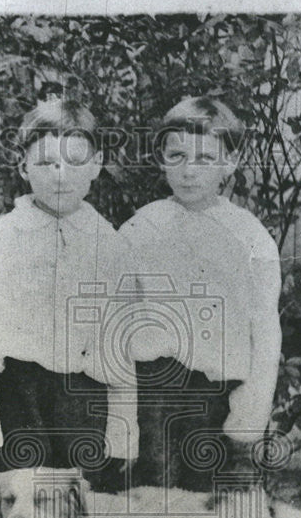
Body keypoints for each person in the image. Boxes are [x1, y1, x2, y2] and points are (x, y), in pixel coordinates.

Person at [0, 97, 137, 491]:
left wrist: (123, 432)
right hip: (19, 399)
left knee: (84, 513)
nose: (60, 176)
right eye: (45, 163)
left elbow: (122, 344)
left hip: (86, 402)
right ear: (23, 166)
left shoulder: (110, 245)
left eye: (75, 162)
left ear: (96, 164)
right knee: (27, 507)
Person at [120, 95, 282, 492]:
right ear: (160, 159)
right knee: (154, 503)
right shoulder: (141, 230)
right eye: (176, 156)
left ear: (230, 163)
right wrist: (120, 411)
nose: (189, 171)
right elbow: (117, 323)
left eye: (205, 159)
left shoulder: (249, 237)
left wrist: (249, 414)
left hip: (220, 398)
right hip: (152, 396)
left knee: (217, 509)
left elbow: (264, 331)